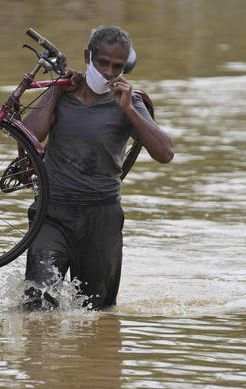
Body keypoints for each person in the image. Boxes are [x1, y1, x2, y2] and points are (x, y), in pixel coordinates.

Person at [20, 25, 174, 310]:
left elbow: (165, 153)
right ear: (88, 57)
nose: (108, 72)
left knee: (96, 313)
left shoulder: (130, 102)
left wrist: (128, 110)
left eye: (118, 66)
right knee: (36, 307)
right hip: (52, 214)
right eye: (103, 62)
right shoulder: (63, 93)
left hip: (101, 219)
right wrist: (55, 91)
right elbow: (28, 137)